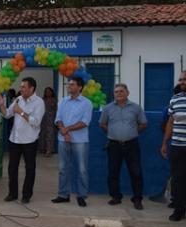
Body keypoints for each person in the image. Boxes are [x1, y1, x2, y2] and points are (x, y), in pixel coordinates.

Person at [0, 77, 45, 203]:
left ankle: (26, 195)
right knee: (12, 168)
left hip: (29, 141)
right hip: (14, 140)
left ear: (31, 88)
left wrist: (21, 112)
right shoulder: (18, 99)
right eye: (21, 86)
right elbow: (7, 114)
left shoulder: (39, 102)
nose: (20, 89)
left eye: (23, 86)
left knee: (30, 168)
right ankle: (12, 193)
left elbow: (36, 122)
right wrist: (1, 104)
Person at [99, 84, 147, 210]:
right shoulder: (108, 108)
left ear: (127, 92)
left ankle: (137, 199)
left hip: (132, 144)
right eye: (116, 92)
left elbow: (143, 123)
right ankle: (116, 197)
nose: (118, 93)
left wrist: (132, 131)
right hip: (114, 144)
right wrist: (112, 132)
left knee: (136, 172)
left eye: (121, 91)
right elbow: (102, 123)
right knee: (113, 172)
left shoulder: (136, 108)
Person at [51, 77, 93, 207]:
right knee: (63, 168)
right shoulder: (63, 101)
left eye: (72, 84)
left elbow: (84, 122)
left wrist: (67, 130)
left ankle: (81, 196)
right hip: (63, 139)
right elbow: (58, 119)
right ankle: (63, 195)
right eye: (68, 84)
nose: (69, 86)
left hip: (80, 141)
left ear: (80, 87)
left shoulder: (87, 103)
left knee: (82, 169)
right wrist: (64, 131)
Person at [151, 84, 183, 204]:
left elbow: (164, 125)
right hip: (175, 143)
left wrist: (165, 141)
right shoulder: (173, 105)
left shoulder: (168, 108)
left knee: (176, 173)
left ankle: (174, 199)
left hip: (175, 142)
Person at [161, 70, 186, 222]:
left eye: (185, 79)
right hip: (177, 146)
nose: (182, 82)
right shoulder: (175, 99)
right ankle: (179, 209)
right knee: (177, 179)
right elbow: (170, 122)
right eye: (180, 79)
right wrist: (164, 142)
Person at [38, 87, 57, 157]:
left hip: (51, 119)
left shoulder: (55, 100)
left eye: (49, 91)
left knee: (50, 135)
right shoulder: (42, 100)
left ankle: (49, 150)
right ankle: (43, 149)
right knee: (42, 134)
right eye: (46, 91)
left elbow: (56, 110)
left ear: (52, 92)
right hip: (43, 119)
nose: (48, 93)